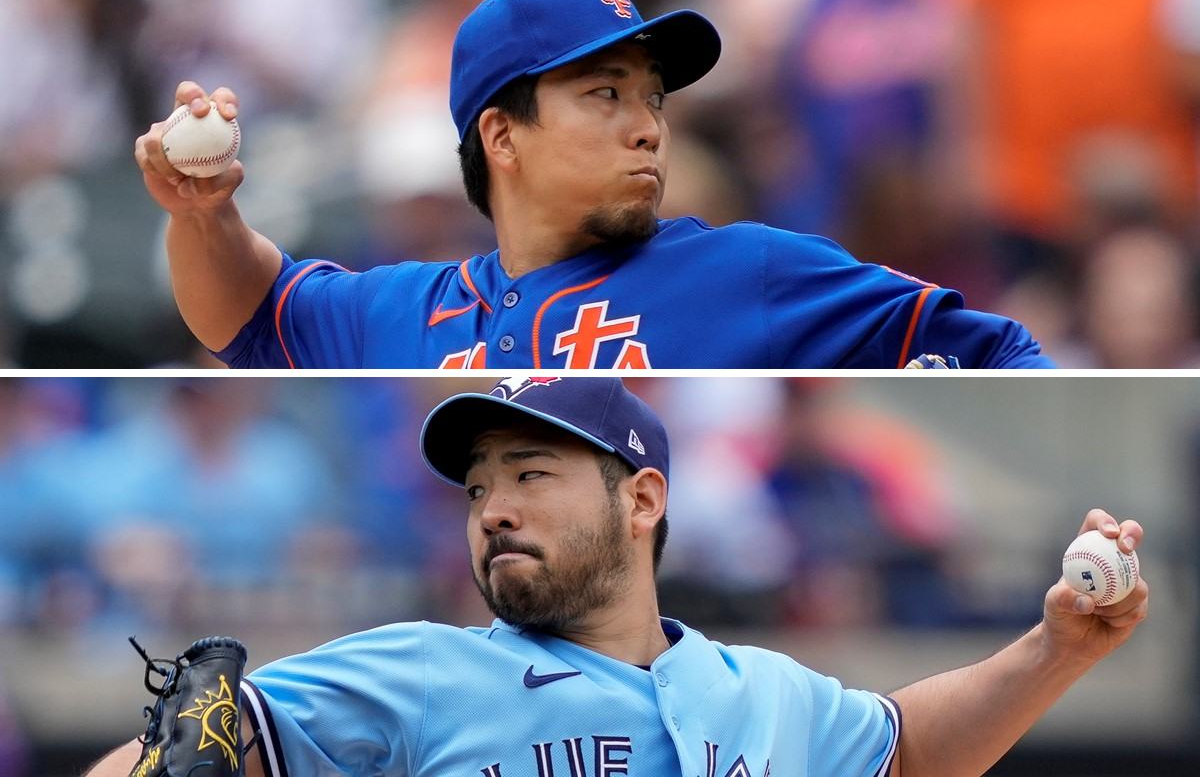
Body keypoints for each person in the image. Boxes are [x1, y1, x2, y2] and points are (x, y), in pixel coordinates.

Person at [87, 376, 1147, 776]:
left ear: (642, 500)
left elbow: (907, 747)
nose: (492, 503)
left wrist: (1059, 646)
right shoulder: (414, 671)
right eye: (475, 488)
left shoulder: (766, 692)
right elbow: (158, 759)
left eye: (530, 472)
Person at [133, 0, 1052, 368]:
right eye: (605, 95)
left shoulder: (755, 270)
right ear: (502, 136)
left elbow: (1005, 352)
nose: (649, 126)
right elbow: (246, 310)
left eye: (651, 97)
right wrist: (201, 212)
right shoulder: (397, 308)